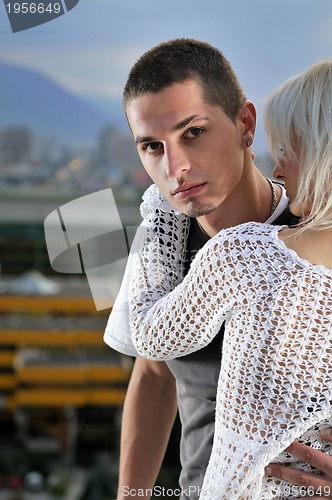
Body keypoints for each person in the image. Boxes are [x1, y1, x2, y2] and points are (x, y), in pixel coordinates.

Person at [104, 39, 332, 499]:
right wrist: (131, 497)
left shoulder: (311, 236)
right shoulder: (160, 243)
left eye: (193, 132)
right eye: (152, 146)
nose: (177, 168)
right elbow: (151, 376)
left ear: (245, 124)